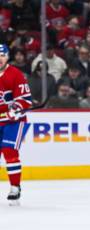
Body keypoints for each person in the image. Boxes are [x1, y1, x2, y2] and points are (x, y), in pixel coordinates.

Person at [0, 44, 31, 205]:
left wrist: (15, 109)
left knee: (9, 151)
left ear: (7, 56)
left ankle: (15, 187)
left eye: (2, 55)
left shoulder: (15, 74)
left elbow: (25, 99)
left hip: (14, 121)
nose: (0, 59)